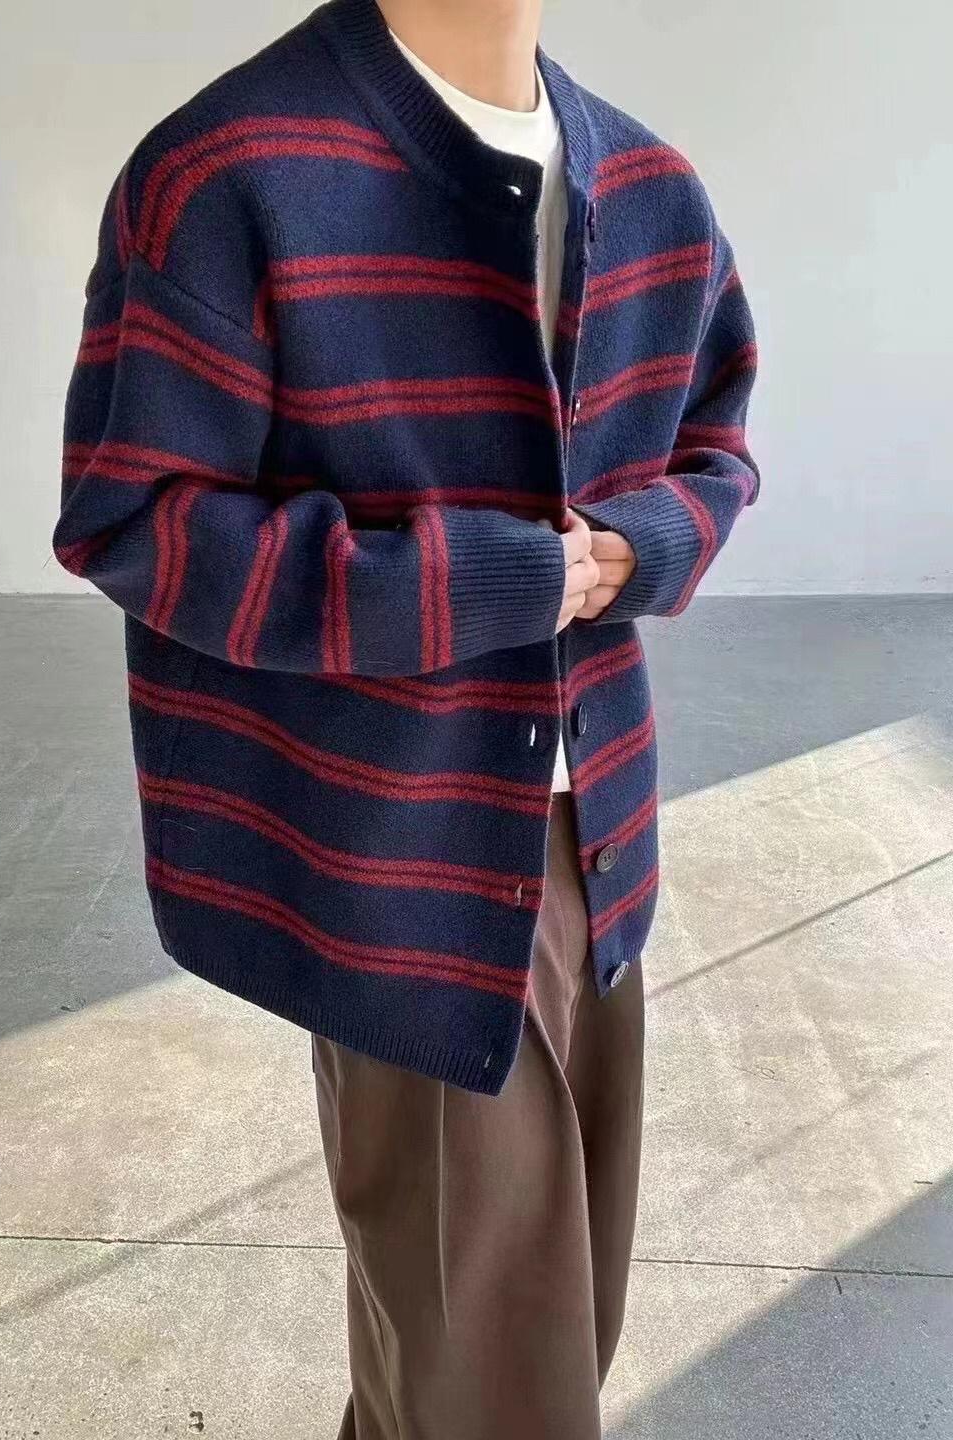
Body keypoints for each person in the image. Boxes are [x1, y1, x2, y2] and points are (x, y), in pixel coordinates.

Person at [53, 0, 759, 1433]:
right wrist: (474, 580)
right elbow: (136, 519)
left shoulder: (651, 189)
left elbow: (716, 443)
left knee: (542, 1331)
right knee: (491, 1373)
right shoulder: (229, 171)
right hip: (393, 854)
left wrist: (642, 547)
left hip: (596, 830)